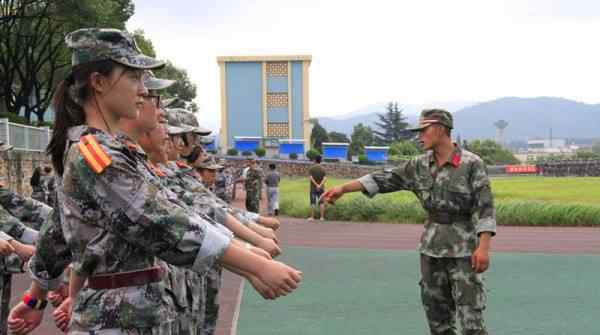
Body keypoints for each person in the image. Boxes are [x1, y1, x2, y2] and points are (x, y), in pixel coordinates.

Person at [8, 28, 301, 335]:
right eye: (134, 77)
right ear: (99, 82)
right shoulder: (96, 157)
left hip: (130, 315)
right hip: (115, 319)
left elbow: (56, 234)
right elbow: (163, 223)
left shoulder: (110, 153)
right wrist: (256, 266)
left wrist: (34, 299)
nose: (143, 89)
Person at [322, 109, 496, 335]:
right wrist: (344, 188)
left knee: (471, 319)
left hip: (463, 251)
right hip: (431, 249)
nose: (419, 136)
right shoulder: (418, 165)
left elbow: (485, 207)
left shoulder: (471, 163)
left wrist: (483, 248)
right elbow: (384, 179)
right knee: (438, 320)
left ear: (441, 129)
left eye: (424, 130)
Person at [308, 155, 326, 221]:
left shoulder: (312, 168)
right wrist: (320, 185)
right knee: (321, 202)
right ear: (320, 160)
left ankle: (312, 217)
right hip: (321, 188)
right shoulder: (323, 168)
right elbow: (325, 178)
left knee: (312, 202)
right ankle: (322, 217)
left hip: (313, 188)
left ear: (315, 160)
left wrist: (316, 185)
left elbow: (311, 178)